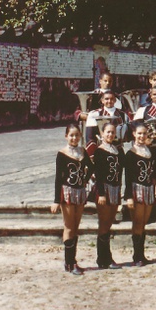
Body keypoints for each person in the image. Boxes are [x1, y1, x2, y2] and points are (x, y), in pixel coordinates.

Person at [52, 124, 93, 275]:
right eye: (71, 135)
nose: (74, 138)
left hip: (80, 192)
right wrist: (57, 200)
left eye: (77, 135)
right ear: (66, 136)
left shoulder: (82, 151)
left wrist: (85, 180)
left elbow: (91, 167)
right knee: (69, 227)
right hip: (67, 192)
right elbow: (58, 178)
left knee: (76, 227)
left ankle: (73, 261)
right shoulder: (62, 154)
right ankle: (68, 263)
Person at [124, 121, 156, 266]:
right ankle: (136, 256)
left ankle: (141, 254)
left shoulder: (149, 151)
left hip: (148, 189)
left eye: (144, 133)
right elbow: (128, 176)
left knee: (144, 222)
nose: (142, 136)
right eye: (139, 133)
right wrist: (129, 196)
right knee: (137, 223)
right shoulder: (130, 154)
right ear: (134, 134)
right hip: (136, 190)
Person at [93, 122, 124, 269]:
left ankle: (104, 257)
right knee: (103, 224)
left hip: (115, 189)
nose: (110, 135)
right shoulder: (99, 151)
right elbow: (98, 174)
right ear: (102, 133)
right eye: (108, 132)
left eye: (113, 132)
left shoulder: (117, 150)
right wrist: (101, 193)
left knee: (109, 223)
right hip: (104, 190)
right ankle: (104, 258)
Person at [84, 90, 130, 155]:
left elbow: (127, 135)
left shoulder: (123, 115)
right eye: (106, 99)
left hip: (118, 150)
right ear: (102, 100)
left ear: (115, 100)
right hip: (101, 149)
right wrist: (92, 154)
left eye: (112, 99)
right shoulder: (94, 114)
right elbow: (90, 137)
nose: (109, 101)